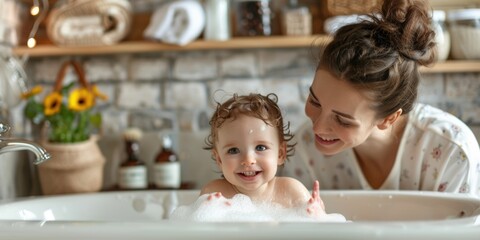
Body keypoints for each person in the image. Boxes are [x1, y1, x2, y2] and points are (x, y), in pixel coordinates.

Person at [281, 0, 480, 196]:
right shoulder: (305, 150)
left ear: (389, 118)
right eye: (315, 101)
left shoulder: (451, 151)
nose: (317, 128)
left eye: (342, 119)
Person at [200, 93, 324, 215]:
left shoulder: (292, 192)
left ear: (280, 154)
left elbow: (317, 230)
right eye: (233, 150)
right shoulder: (215, 194)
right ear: (219, 160)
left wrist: (316, 214)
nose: (248, 160)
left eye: (260, 147)